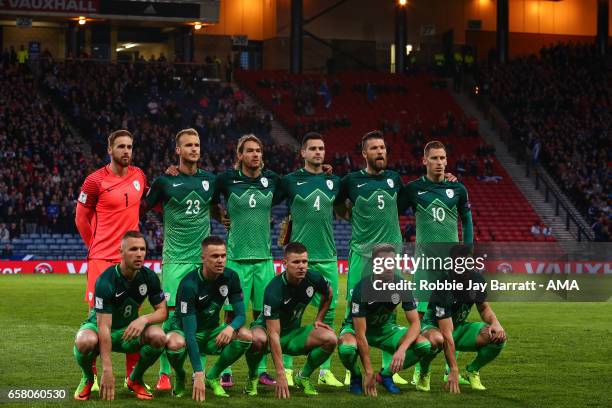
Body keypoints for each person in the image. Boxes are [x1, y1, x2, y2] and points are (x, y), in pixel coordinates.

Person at [143, 128, 219, 390]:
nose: (194, 149)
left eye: (197, 144)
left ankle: (203, 373)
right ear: (177, 150)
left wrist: (225, 219)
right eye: (188, 145)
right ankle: (165, 374)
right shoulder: (165, 182)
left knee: (205, 316)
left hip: (203, 261)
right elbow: (142, 207)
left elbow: (220, 206)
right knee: (170, 316)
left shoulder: (211, 180)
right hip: (175, 260)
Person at [334, 130, 408, 386]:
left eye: (383, 148)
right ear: (364, 153)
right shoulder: (351, 181)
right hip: (362, 255)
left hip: (390, 254)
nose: (380, 152)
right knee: (353, 309)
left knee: (391, 309)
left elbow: (403, 204)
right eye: (375, 148)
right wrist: (349, 217)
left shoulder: (394, 179)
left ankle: (389, 370)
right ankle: (351, 364)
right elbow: (337, 206)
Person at [75, 130, 147, 387]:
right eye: (121, 147)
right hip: (102, 259)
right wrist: (94, 247)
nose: (126, 151)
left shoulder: (139, 175)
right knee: (96, 314)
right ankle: (92, 376)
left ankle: (132, 377)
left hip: (129, 259)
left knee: (133, 312)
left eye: (129, 146)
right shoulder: (94, 181)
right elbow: (81, 218)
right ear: (110, 150)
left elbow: (149, 199)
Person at [399, 140, 473, 387]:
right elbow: (391, 209)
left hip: (451, 268)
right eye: (434, 158)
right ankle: (421, 370)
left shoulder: (458, 189)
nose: (439, 163)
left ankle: (448, 370)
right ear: (424, 161)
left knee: (451, 319)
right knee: (419, 321)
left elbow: (467, 220)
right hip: (425, 268)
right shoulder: (413, 189)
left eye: (443, 158)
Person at [213, 134, 282, 386]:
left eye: (259, 150)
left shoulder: (272, 180)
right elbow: (209, 197)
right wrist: (219, 214)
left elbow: (297, 191)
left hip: (264, 260)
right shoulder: (226, 180)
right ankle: (226, 370)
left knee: (263, 317)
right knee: (231, 317)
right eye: (250, 151)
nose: (256, 155)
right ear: (239, 155)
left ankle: (260, 370)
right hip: (236, 260)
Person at [277, 132, 343, 387]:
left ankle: (323, 371)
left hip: (327, 256)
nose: (318, 152)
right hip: (300, 259)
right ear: (302, 153)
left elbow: (344, 208)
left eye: (322, 148)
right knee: (292, 314)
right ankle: (290, 370)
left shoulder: (334, 181)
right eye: (313, 148)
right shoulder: (290, 181)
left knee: (328, 313)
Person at [72, 231, 168, 401]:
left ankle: (135, 379)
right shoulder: (106, 280)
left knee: (159, 336)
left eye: (142, 249)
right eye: (133, 249)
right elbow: (104, 327)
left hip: (126, 331)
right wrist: (107, 370)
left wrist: (143, 319)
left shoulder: (149, 277)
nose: (139, 254)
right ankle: (87, 378)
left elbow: (162, 311)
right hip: (99, 328)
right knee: (84, 340)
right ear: (121, 252)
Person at [338, 244, 435, 395]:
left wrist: (402, 350)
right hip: (358, 330)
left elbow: (416, 323)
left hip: (385, 329)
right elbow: (361, 334)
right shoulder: (362, 288)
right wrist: (368, 371)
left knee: (423, 345)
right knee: (347, 348)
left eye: (392, 262)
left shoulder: (401, 285)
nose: (389, 266)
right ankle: (356, 375)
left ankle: (385, 376)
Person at [164, 236, 252, 400]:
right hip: (183, 332)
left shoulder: (231, 277)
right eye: (214, 256)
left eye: (223, 256)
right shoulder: (189, 285)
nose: (220, 260)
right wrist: (198, 373)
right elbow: (190, 334)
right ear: (203, 258)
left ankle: (212, 376)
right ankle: (180, 376)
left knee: (246, 335)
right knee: (175, 343)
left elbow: (241, 315)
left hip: (210, 331)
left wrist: (230, 327)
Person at [244, 242, 336, 398]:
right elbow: (273, 334)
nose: (301, 266)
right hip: (268, 333)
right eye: (296, 262)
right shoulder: (274, 290)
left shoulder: (313, 278)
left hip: (292, 335)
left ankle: (303, 376)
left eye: (304, 261)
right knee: (256, 339)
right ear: (285, 264)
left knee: (331, 339)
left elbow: (328, 293)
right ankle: (253, 377)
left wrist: (319, 318)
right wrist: (281, 373)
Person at [417, 244, 507, 392]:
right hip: (434, 328)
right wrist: (453, 369)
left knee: (498, 337)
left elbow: (483, 308)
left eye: (468, 262)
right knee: (436, 341)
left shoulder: (477, 280)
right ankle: (424, 372)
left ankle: (472, 370)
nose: (465, 267)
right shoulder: (443, 285)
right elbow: (446, 333)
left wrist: (495, 323)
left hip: (458, 327)